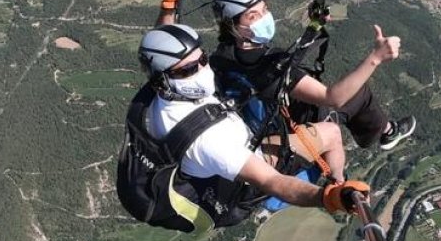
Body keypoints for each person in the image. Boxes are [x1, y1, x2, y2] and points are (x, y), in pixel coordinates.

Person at [135, 21, 372, 227]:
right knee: (331, 133)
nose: (202, 70)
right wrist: (330, 197)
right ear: (163, 79)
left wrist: (169, 5)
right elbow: (273, 181)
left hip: (224, 156)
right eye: (188, 69)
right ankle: (338, 181)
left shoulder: (159, 94)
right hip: (245, 175)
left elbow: (161, 43)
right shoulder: (210, 141)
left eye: (203, 59)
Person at [202, 0, 416, 153]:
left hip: (268, 119)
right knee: (359, 94)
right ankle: (389, 132)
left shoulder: (221, 57)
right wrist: (376, 57)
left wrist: (314, 26)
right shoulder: (271, 65)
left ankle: (385, 130)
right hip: (300, 125)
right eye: (252, 16)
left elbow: (293, 56)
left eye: (264, 9)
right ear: (232, 25)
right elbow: (332, 97)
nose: (263, 18)